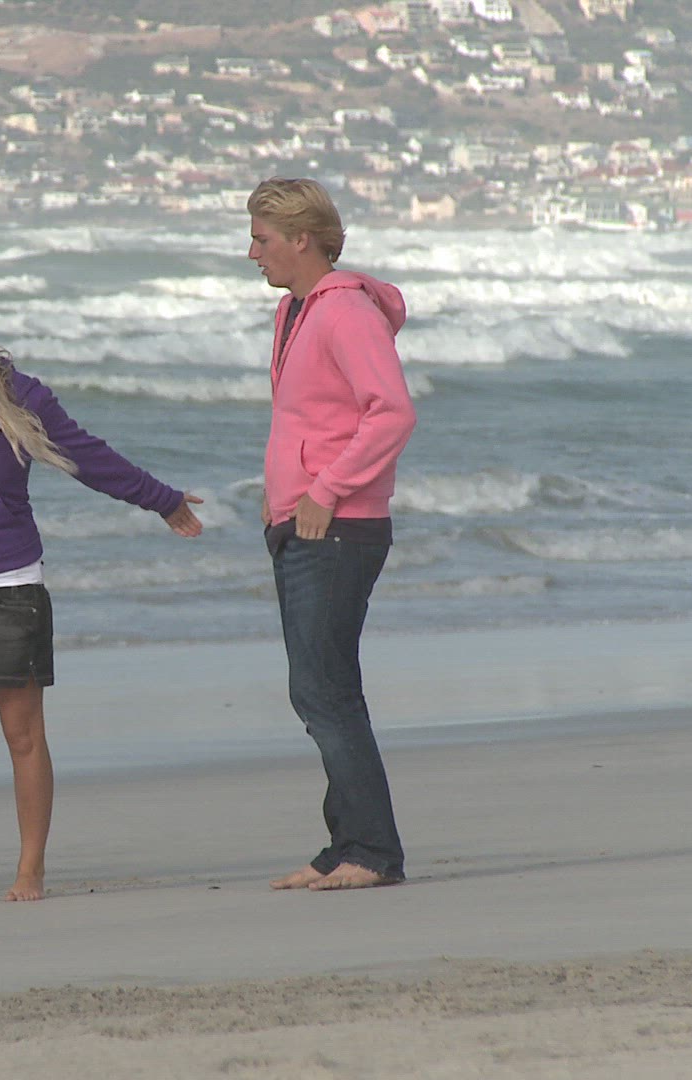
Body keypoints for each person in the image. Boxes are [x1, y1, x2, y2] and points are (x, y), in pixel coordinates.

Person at [0, 296, 204, 905]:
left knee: (22, 734)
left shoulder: (23, 398)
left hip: (11, 579)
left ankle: (30, 869)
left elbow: (89, 458)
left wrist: (162, 500)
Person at [247, 178, 416, 892]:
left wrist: (324, 490)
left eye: (262, 239)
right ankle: (347, 843)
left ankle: (372, 852)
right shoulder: (295, 309)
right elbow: (309, 417)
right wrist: (282, 495)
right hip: (301, 521)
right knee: (319, 689)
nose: (252, 253)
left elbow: (392, 411)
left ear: (302, 239)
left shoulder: (345, 310)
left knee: (325, 692)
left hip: (339, 526)